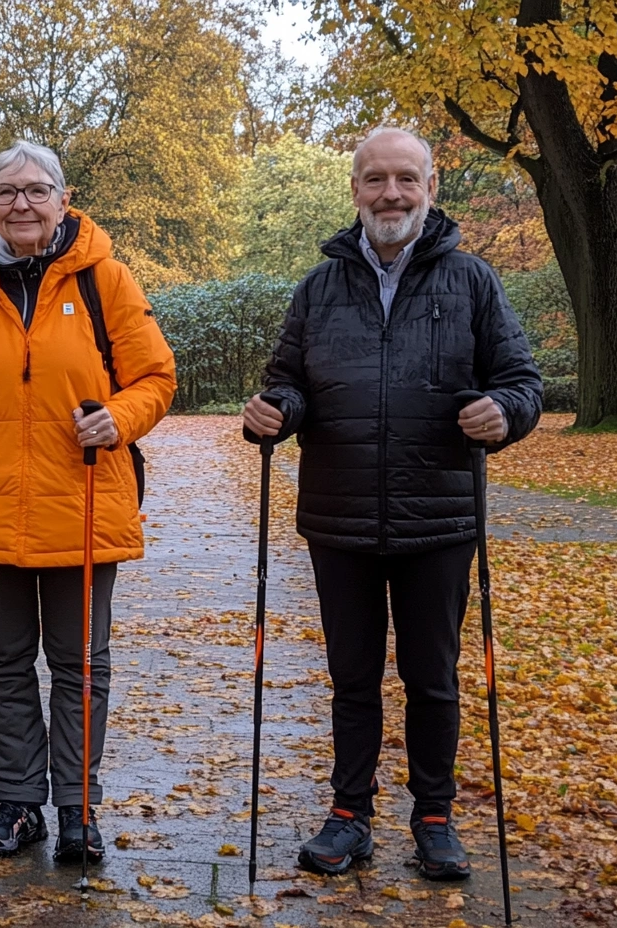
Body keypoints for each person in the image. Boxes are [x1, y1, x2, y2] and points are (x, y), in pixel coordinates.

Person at [243, 127, 542, 881]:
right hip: (338, 516)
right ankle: (350, 814)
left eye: (406, 179)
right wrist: (276, 409)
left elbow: (522, 381)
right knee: (351, 676)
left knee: (432, 676)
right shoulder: (318, 287)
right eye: (375, 179)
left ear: (430, 187)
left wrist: (503, 414)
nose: (391, 194)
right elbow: (290, 380)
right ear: (354, 191)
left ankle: (435, 816)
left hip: (438, 519)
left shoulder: (472, 281)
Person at [0, 140, 175, 862]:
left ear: (63, 196)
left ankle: (79, 807)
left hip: (83, 499)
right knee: (3, 662)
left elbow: (155, 376)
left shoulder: (105, 281)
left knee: (81, 663)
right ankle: (18, 803)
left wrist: (120, 417)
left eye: (35, 189)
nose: (20, 203)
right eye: (7, 190)